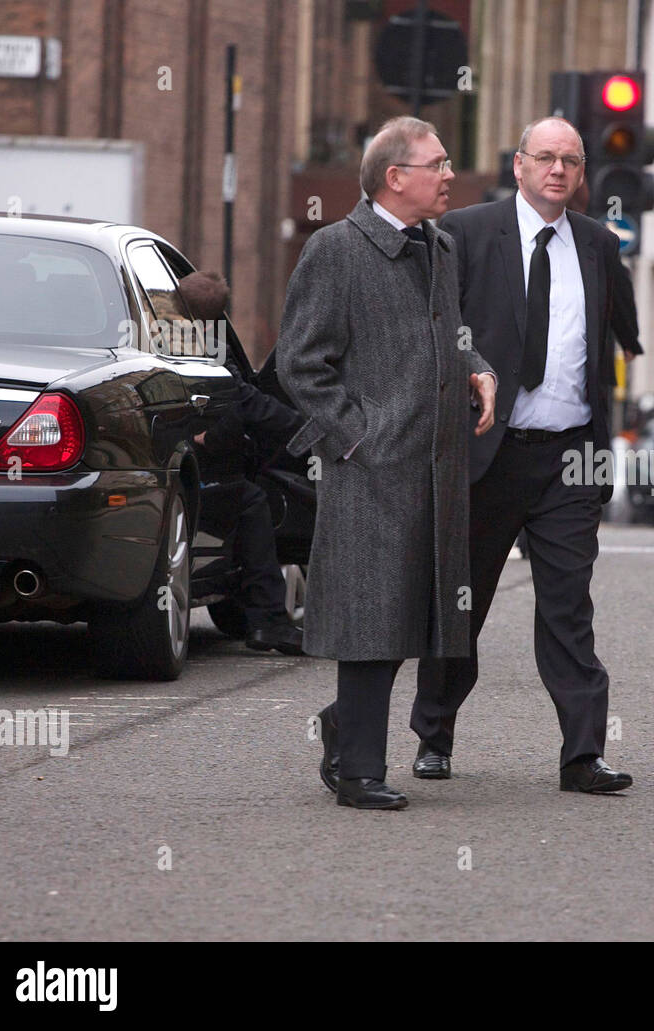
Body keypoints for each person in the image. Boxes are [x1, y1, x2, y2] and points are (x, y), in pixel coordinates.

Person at [277, 116, 497, 811]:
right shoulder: (335, 250)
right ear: (395, 177)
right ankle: (358, 770)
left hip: (436, 466)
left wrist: (476, 367)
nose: (449, 174)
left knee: (415, 615)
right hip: (372, 468)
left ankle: (345, 726)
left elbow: (445, 336)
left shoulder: (440, 245)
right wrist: (356, 438)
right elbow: (301, 362)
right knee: (372, 620)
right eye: (437, 163)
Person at [408, 116, 633, 793]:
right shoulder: (470, 233)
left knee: (569, 605)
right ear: (519, 165)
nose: (558, 170)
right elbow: (439, 332)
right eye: (546, 158)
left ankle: (582, 754)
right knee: (462, 598)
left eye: (571, 159)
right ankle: (435, 733)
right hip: (489, 451)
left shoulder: (597, 244)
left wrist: (601, 455)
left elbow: (610, 352)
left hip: (568, 456)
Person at [176, 271, 305, 656]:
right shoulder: (207, 341)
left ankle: (265, 618)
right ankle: (270, 621)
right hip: (197, 465)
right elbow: (235, 401)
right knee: (250, 503)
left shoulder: (150, 332)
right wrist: (301, 425)